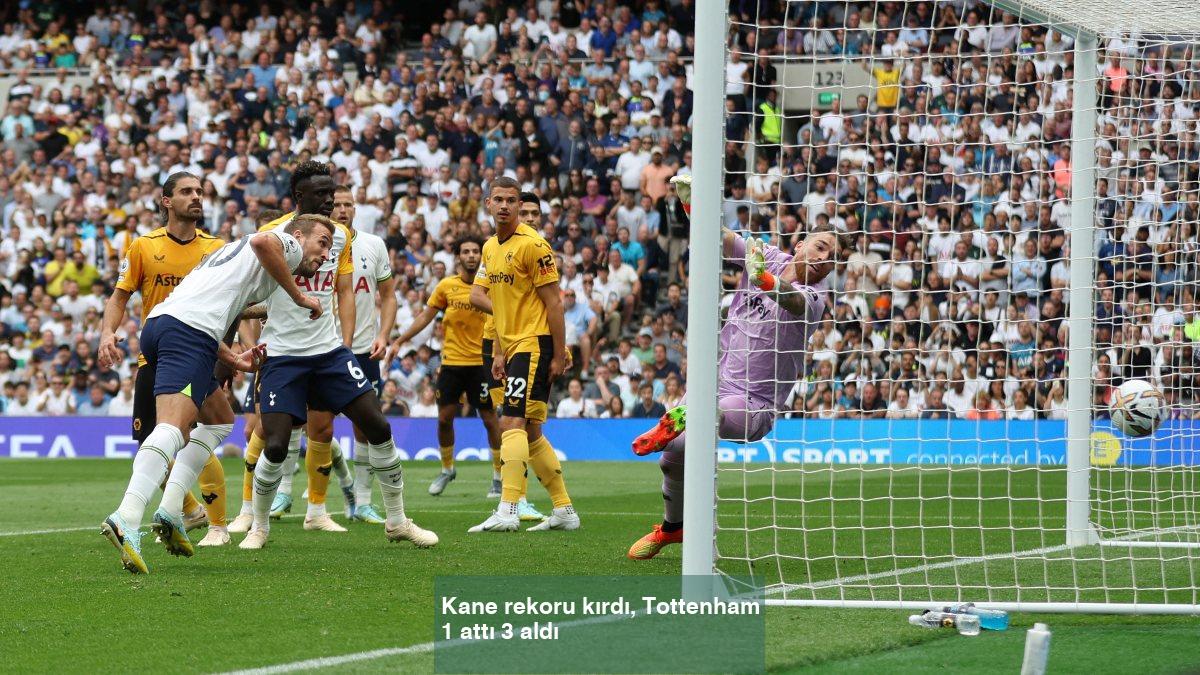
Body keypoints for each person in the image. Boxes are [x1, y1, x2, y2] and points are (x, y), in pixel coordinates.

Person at [99, 207, 331, 575]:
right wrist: (301, 298)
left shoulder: (231, 259)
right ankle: (126, 516)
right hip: (186, 332)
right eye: (323, 243)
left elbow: (217, 305)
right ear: (299, 236)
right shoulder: (285, 241)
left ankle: (171, 511)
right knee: (174, 427)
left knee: (220, 419)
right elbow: (262, 240)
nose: (325, 255)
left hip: (172, 327)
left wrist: (233, 359)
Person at [627, 174, 840, 560]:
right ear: (802, 243)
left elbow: (790, 300)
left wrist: (765, 280)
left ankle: (679, 418)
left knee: (708, 416)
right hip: (714, 381)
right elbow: (719, 237)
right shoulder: (767, 253)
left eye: (832, 259)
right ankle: (673, 528)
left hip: (753, 405)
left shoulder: (815, 298)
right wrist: (693, 204)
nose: (825, 260)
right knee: (673, 456)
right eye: (822, 247)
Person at [240, 162, 436, 551]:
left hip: (329, 352)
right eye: (321, 193)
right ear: (299, 197)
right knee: (276, 445)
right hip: (283, 357)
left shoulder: (341, 236)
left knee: (378, 426)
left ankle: (397, 521)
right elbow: (246, 295)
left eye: (333, 192)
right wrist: (237, 344)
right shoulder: (270, 234)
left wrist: (345, 343)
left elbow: (342, 291)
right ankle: (258, 527)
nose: (331, 199)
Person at [98, 172, 232, 549]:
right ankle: (183, 509)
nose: (196, 198)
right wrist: (108, 333)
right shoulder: (144, 246)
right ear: (166, 201)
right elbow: (120, 296)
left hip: (200, 351)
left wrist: (230, 354)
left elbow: (230, 308)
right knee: (163, 439)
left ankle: (204, 520)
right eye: (187, 192)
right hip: (156, 355)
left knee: (203, 425)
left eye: (199, 192)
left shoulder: (216, 248)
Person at [468, 178, 580, 532]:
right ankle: (563, 510)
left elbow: (554, 303)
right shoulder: (489, 248)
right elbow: (501, 306)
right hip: (512, 346)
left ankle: (508, 508)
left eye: (511, 200)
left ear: (520, 206)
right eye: (498, 199)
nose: (504, 206)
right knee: (529, 429)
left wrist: (559, 354)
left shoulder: (534, 246)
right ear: (487, 203)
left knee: (510, 422)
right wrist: (499, 350)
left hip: (535, 343)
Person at [386, 235, 506, 500]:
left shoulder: (490, 287)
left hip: (481, 364)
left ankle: (498, 477)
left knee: (489, 420)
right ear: (458, 256)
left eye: (476, 251)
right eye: (467, 251)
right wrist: (400, 341)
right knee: (443, 419)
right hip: (451, 364)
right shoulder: (446, 287)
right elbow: (425, 318)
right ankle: (447, 469)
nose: (472, 255)